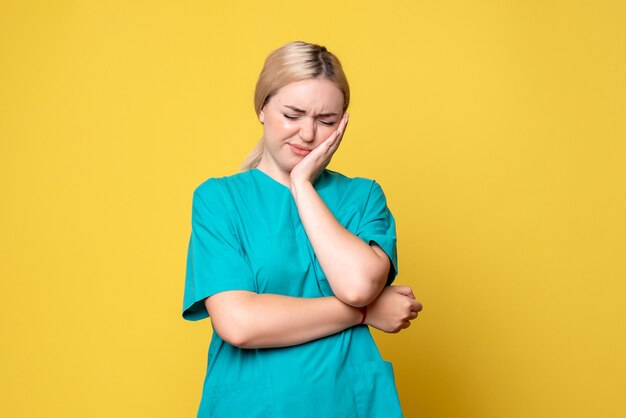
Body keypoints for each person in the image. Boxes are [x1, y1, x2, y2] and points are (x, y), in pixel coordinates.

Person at [182, 41, 423, 418]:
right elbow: (239, 323)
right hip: (252, 406)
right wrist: (363, 313)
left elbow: (358, 286)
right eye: (292, 114)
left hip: (348, 403)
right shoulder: (219, 199)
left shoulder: (362, 196)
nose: (308, 135)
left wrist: (302, 185)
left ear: (343, 121)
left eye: (326, 121)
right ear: (262, 108)